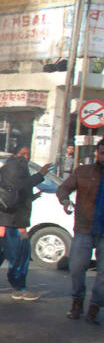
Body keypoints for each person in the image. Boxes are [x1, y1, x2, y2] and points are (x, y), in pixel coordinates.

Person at [0, 145, 50, 301]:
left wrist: (31, 197)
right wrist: (40, 175)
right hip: (11, 222)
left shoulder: (11, 166)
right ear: (14, 154)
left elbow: (15, 192)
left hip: (3, 221)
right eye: (22, 154)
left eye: (28, 154)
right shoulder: (15, 166)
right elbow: (18, 186)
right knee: (19, 256)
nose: (25, 157)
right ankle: (19, 288)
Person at [57, 138, 104, 324]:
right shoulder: (83, 172)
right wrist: (66, 201)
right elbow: (63, 189)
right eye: (102, 152)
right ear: (96, 153)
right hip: (84, 229)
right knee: (76, 269)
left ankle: (94, 307)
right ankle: (77, 303)